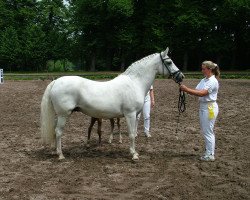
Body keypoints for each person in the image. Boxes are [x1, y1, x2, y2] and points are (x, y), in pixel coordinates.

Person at [180, 61, 220, 162]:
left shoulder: (212, 81)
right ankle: (208, 151)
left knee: (208, 131)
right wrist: (186, 90)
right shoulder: (204, 80)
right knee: (206, 130)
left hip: (209, 107)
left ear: (209, 69)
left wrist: (187, 90)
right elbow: (197, 90)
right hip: (203, 107)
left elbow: (202, 93)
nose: (202, 70)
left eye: (203, 69)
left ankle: (210, 154)